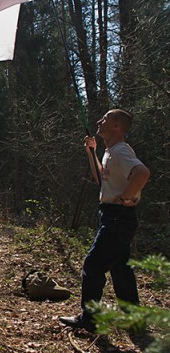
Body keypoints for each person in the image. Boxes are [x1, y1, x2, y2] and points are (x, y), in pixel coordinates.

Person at [59, 109, 150, 332]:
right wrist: (92, 152)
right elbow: (101, 177)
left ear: (117, 126)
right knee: (120, 268)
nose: (99, 121)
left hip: (118, 216)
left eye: (105, 119)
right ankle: (134, 318)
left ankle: (90, 319)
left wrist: (126, 196)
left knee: (93, 265)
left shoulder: (120, 151)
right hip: (113, 215)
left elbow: (142, 172)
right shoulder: (111, 151)